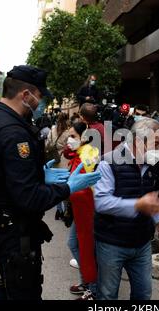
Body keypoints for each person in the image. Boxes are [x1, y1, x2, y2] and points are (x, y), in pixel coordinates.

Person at [0, 65, 101, 300]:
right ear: (26, 95)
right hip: (12, 231)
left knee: (9, 286)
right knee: (23, 291)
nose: (40, 104)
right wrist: (69, 187)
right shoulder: (13, 133)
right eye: (39, 96)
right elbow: (29, 198)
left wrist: (36, 172)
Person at [93, 118, 159, 300]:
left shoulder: (153, 165)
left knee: (143, 294)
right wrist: (137, 205)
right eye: (157, 144)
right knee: (107, 295)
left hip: (142, 243)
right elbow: (101, 202)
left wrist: (158, 220)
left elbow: (150, 198)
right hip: (111, 243)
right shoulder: (108, 163)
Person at [63, 122, 100, 300]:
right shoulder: (80, 153)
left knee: (86, 249)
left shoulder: (86, 156)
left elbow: (90, 185)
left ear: (83, 138)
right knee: (74, 244)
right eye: (69, 135)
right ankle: (87, 281)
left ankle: (93, 289)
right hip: (80, 210)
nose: (69, 139)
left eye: (73, 136)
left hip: (88, 211)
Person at [45, 112, 70, 220]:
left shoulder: (53, 128)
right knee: (63, 187)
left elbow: (47, 144)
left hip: (52, 160)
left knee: (55, 187)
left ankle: (58, 211)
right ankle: (64, 211)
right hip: (63, 161)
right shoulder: (68, 132)